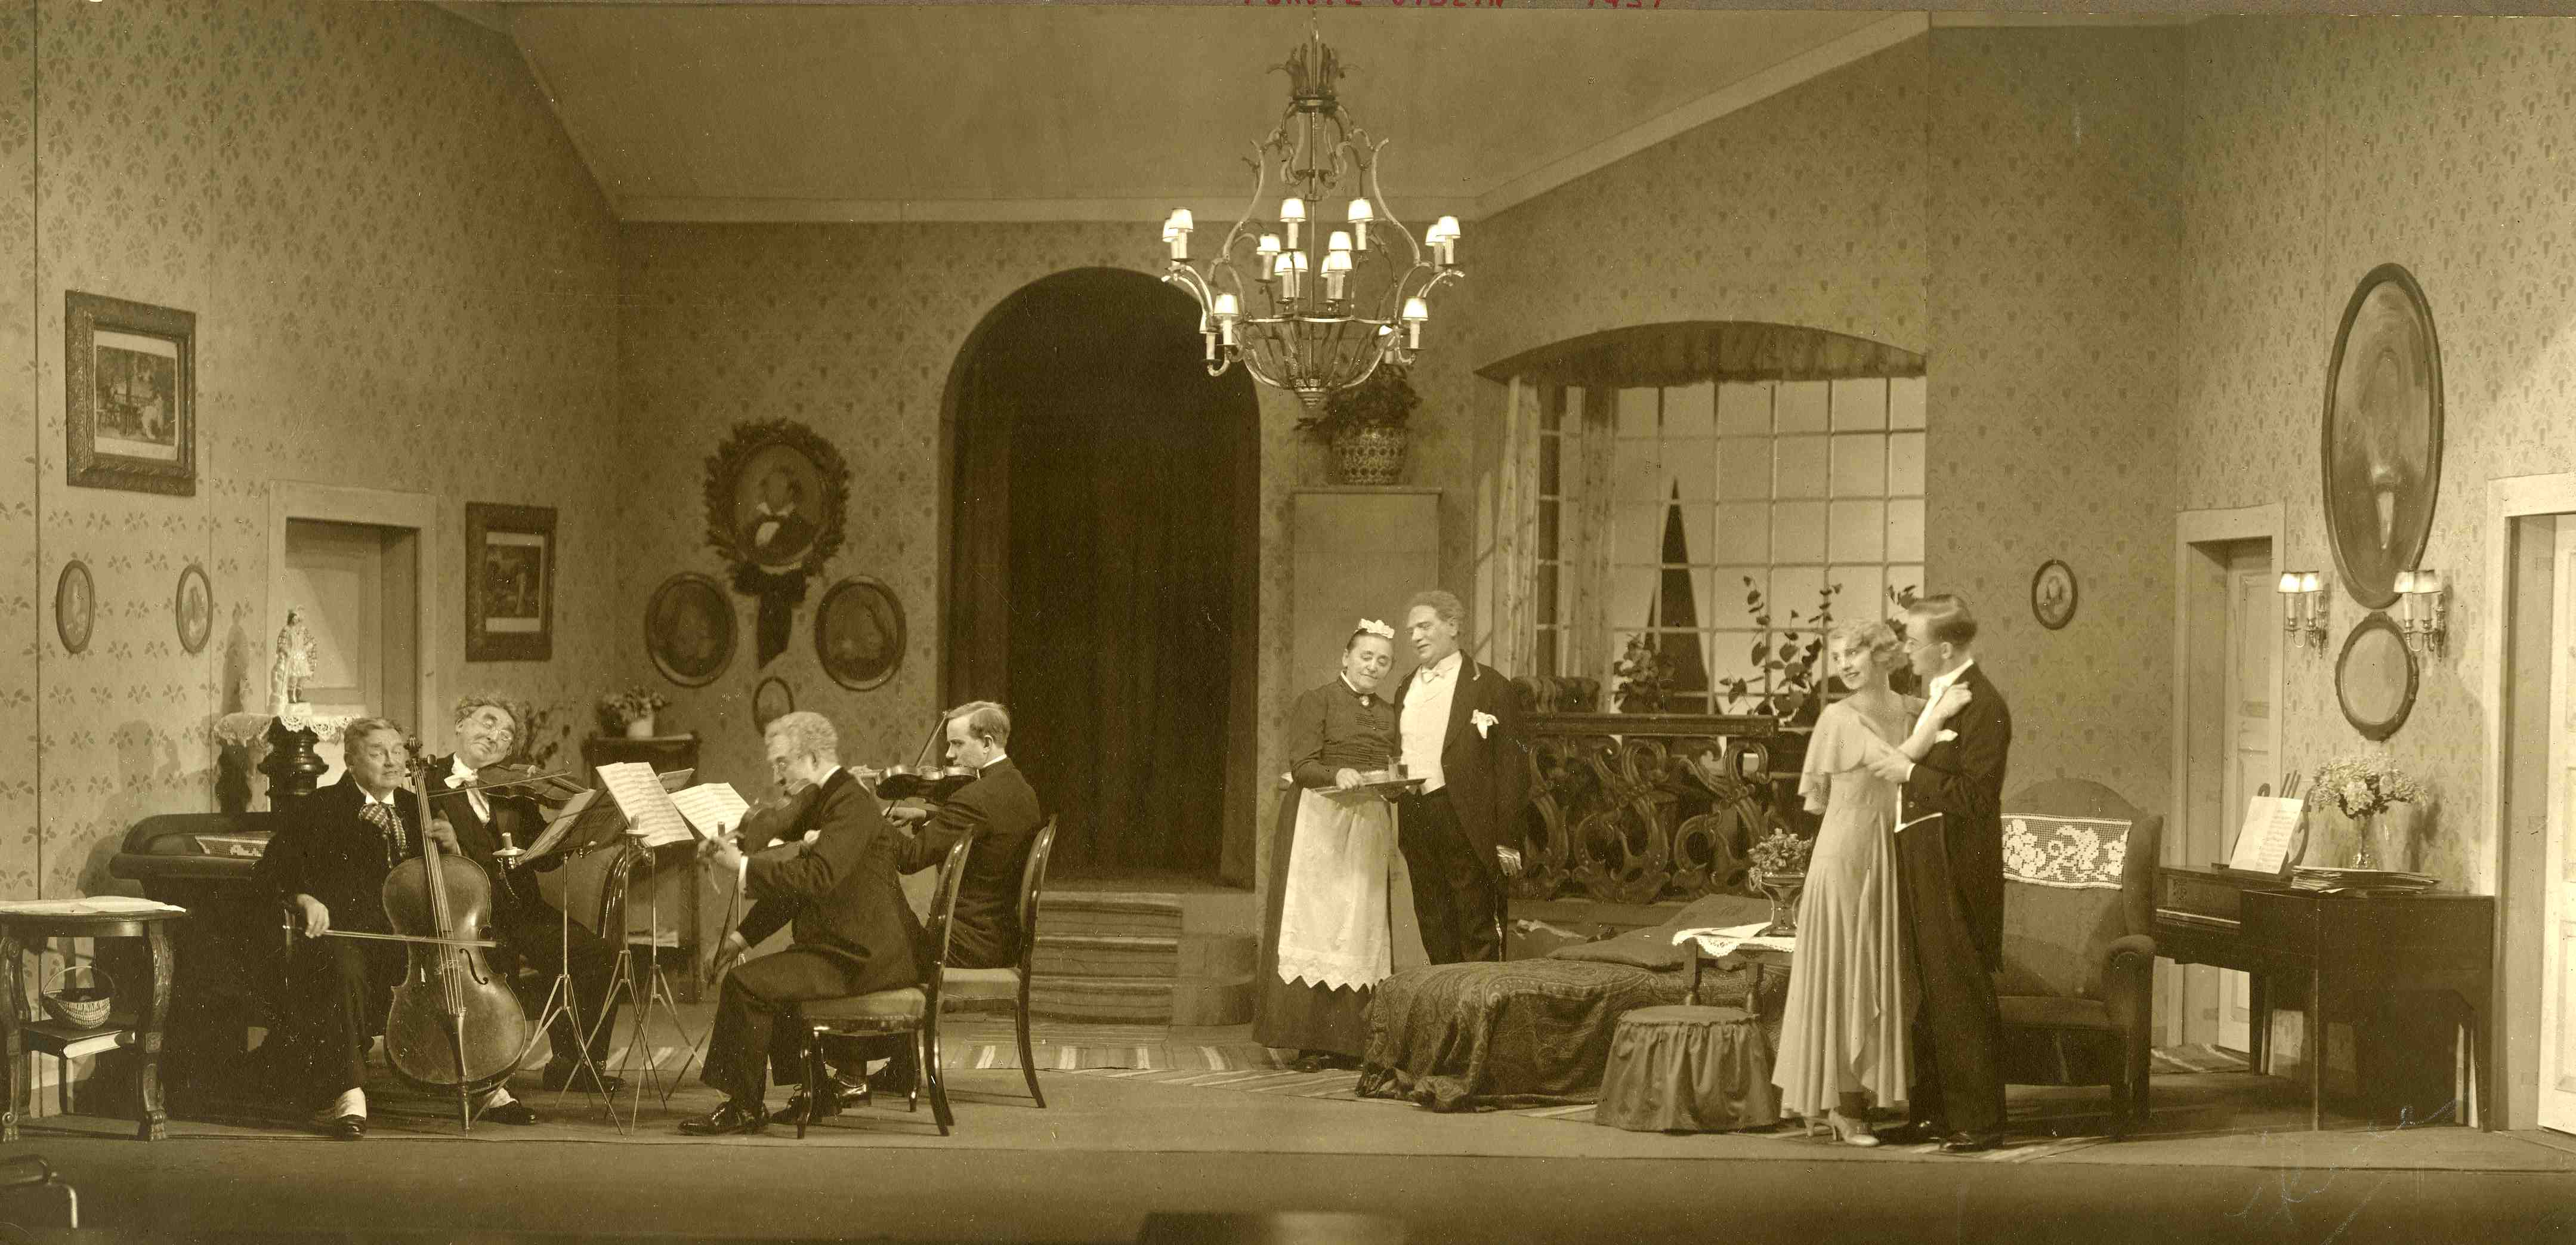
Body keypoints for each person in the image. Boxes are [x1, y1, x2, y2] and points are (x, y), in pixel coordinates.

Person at [257, 718, 542, 1139]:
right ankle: (349, 1091)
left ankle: (485, 1081)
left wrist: (452, 847)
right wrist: (304, 899)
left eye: (397, 751)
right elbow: (272, 871)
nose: (392, 761)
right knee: (343, 968)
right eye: (377, 753)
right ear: (351, 761)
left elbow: (458, 882)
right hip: (354, 936)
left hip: (418, 941)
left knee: (473, 968)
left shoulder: (416, 805)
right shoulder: (320, 806)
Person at [1771, 619, 1973, 1146]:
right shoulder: (1839, 718)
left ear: (1884, 656)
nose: (1843, 664)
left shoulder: (1909, 709)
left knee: (1883, 975)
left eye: (1853, 653)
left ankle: (1865, 1096)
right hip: (1844, 857)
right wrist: (1940, 716)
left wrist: (1940, 712)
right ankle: (1843, 1107)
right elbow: (1892, 765)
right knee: (1846, 975)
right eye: (1838, 656)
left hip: (1891, 854)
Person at [681, 712, 921, 1136]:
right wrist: (738, 940)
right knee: (770, 976)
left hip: (862, 957)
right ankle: (815, 1090)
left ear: (812, 758)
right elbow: (796, 889)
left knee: (746, 984)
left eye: (782, 763)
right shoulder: (827, 798)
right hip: (846, 946)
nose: (777, 777)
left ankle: (744, 1107)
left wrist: (742, 866)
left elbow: (815, 878)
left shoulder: (850, 803)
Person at [1867, 594, 2014, 1154]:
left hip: (1957, 864)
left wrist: (1909, 773)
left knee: (1960, 988)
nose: (1906, 649)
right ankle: (1932, 1114)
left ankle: (1980, 1121)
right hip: (1923, 854)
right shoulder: (1936, 699)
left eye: (1913, 641)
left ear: (1945, 648)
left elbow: (1976, 799)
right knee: (1929, 991)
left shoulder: (1985, 706)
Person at [425, 696, 623, 1096]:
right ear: (461, 724)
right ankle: (489, 1072)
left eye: (506, 735)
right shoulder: (426, 782)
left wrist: (572, 836)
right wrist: (454, 847)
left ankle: (574, 1064)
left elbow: (541, 857)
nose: (495, 736)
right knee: (499, 964)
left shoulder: (513, 790)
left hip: (522, 910)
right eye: (488, 722)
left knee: (600, 954)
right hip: (469, 916)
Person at [1256, 620, 1415, 1068]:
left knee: (1359, 927)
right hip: (1320, 824)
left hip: (1366, 826)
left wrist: (1397, 786)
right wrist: (1336, 773)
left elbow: (1394, 768)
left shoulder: (1390, 713)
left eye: (1383, 661)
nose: (1373, 666)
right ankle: (1310, 1041)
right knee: (1318, 925)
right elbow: (1302, 765)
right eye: (1366, 656)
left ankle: (1351, 1042)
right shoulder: (1318, 700)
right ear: (1346, 657)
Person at [1392, 589, 1528, 965]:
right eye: (1411, 631)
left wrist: (1507, 838)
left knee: (1476, 924)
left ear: (1452, 626)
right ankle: (1444, 1000)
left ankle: (1480, 1003)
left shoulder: (1491, 686)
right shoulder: (1406, 686)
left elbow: (1513, 769)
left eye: (1424, 626)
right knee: (1433, 922)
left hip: (1468, 821)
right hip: (1416, 816)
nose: (1415, 637)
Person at [743, 467, 817, 561]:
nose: (769, 492)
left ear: (790, 493)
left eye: (777, 487)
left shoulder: (805, 531)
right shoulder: (750, 529)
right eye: (768, 486)